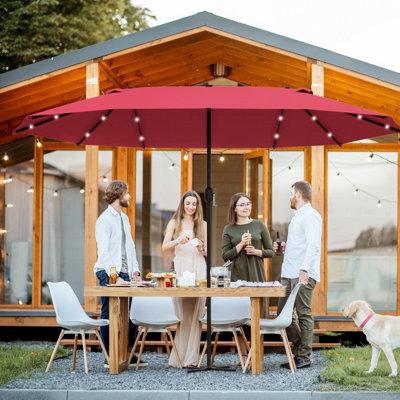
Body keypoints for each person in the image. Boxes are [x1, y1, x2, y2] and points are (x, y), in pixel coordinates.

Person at [93, 180, 147, 368]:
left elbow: (129, 247)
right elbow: (104, 252)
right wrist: (115, 276)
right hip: (107, 272)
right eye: (127, 193)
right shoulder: (104, 220)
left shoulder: (124, 218)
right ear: (118, 194)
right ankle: (110, 355)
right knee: (109, 311)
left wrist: (135, 271)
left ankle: (127, 352)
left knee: (131, 312)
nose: (130, 196)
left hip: (125, 273)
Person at [274, 180, 322, 369]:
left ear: (299, 195)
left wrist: (304, 269)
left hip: (303, 273)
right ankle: (301, 350)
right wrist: (286, 248)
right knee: (282, 315)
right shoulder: (297, 217)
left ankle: (304, 356)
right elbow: (301, 245)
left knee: (303, 313)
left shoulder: (311, 216)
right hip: (288, 272)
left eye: (291, 193)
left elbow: (313, 245)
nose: (290, 197)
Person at [222, 192, 274, 363]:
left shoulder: (259, 225)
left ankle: (256, 353)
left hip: (256, 274)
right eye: (242, 205)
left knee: (257, 315)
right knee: (240, 316)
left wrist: (257, 251)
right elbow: (225, 256)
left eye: (248, 204)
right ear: (234, 209)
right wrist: (241, 244)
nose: (246, 207)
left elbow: (271, 251)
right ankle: (244, 356)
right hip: (238, 276)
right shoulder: (228, 229)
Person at [162, 190, 207, 368]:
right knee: (182, 313)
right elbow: (165, 246)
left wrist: (202, 247)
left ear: (197, 206)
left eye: (194, 204)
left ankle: (191, 358)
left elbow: (206, 252)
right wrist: (177, 241)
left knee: (195, 314)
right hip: (181, 267)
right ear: (182, 204)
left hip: (198, 266)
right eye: (188, 203)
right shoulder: (174, 223)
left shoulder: (202, 224)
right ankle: (178, 356)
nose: (191, 207)